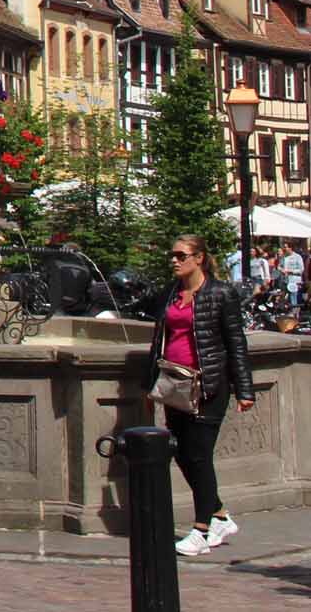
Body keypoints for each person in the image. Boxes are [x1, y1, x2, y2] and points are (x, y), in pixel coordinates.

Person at [155, 233, 255, 556]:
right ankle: (220, 515)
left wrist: (244, 390)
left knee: (198, 454)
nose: (174, 260)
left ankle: (201, 530)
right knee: (181, 453)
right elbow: (159, 336)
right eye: (172, 255)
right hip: (175, 384)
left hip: (209, 385)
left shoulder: (220, 294)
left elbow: (237, 344)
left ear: (199, 258)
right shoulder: (172, 293)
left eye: (181, 255)